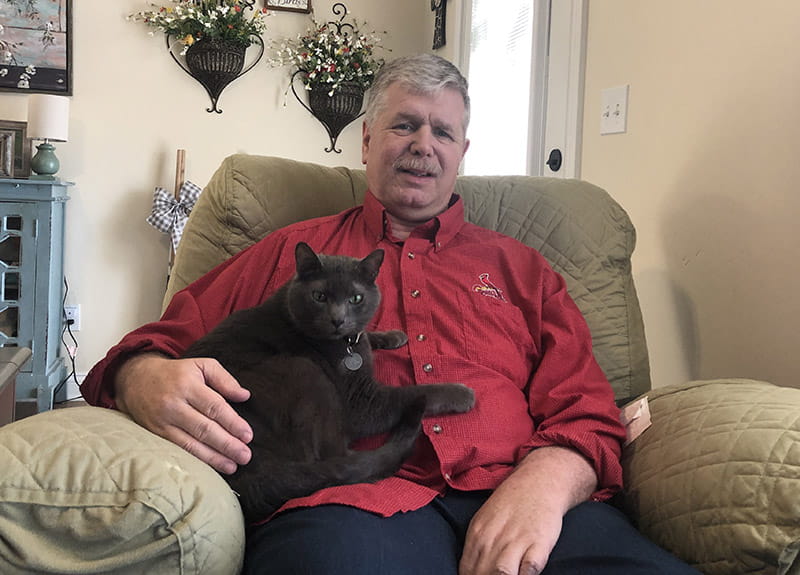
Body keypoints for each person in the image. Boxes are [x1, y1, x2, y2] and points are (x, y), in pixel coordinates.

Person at [82, 54, 699, 575]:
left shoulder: (523, 270)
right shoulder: (291, 255)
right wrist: (144, 377)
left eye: (442, 132)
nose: (423, 146)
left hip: (523, 499)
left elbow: (588, 408)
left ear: (461, 152)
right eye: (404, 125)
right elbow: (155, 344)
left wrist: (547, 483)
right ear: (368, 139)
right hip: (348, 505)